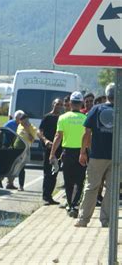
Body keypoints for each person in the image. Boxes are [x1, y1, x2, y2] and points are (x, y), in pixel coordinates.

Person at [75, 84, 114, 228]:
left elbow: (87, 133)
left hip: (97, 155)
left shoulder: (96, 109)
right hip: (116, 157)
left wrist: (83, 152)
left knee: (91, 186)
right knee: (112, 189)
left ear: (107, 95)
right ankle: (107, 220)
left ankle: (83, 219)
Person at [49, 91, 87, 218]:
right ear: (81, 103)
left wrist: (52, 153)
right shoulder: (85, 118)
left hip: (67, 153)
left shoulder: (63, 118)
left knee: (68, 181)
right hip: (81, 152)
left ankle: (70, 205)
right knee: (80, 180)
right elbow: (88, 138)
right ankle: (75, 205)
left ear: (70, 103)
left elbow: (58, 136)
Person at [38, 98, 64, 205]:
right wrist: (45, 140)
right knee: (47, 173)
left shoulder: (62, 118)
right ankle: (45, 197)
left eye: (60, 104)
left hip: (59, 149)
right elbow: (39, 132)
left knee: (55, 173)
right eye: (57, 104)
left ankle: (50, 196)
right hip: (49, 149)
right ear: (53, 104)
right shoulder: (47, 117)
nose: (58, 106)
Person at [13, 114, 37, 191]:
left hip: (24, 149)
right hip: (16, 148)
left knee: (21, 167)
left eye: (25, 120)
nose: (23, 122)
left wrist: (27, 129)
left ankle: (21, 185)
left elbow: (32, 139)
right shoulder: (19, 126)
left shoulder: (32, 127)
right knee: (14, 166)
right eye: (22, 120)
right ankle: (10, 183)